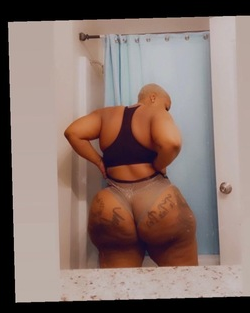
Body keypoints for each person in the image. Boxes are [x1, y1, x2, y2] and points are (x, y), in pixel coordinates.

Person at [64, 83, 199, 268]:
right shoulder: (155, 112)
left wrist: (99, 161)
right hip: (156, 197)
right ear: (153, 97)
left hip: (112, 203)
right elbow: (172, 142)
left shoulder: (106, 115)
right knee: (183, 278)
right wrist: (159, 165)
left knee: (119, 282)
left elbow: (72, 132)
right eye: (166, 106)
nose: (166, 111)